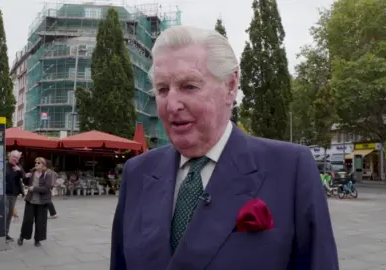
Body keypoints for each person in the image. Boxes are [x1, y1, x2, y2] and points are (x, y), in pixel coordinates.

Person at [110, 26, 339, 270]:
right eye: (163, 89)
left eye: (189, 86)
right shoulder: (137, 172)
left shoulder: (291, 169)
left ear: (230, 86)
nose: (172, 105)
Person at [18, 157, 53, 247]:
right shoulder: (32, 173)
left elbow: (47, 188)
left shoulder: (47, 174)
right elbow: (25, 183)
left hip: (42, 202)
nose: (36, 164)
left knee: (40, 222)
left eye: (39, 163)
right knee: (27, 220)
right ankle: (22, 236)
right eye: (36, 162)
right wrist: (26, 176)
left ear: (43, 165)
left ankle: (37, 240)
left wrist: (34, 188)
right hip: (30, 201)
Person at [5, 150, 25, 242]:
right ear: (9, 156)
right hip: (4, 193)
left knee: (9, 214)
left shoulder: (18, 167)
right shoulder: (3, 166)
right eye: (14, 157)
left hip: (13, 194)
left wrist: (19, 171)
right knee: (5, 213)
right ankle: (0, 233)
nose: (15, 159)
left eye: (17, 158)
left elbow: (24, 177)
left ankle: (6, 233)